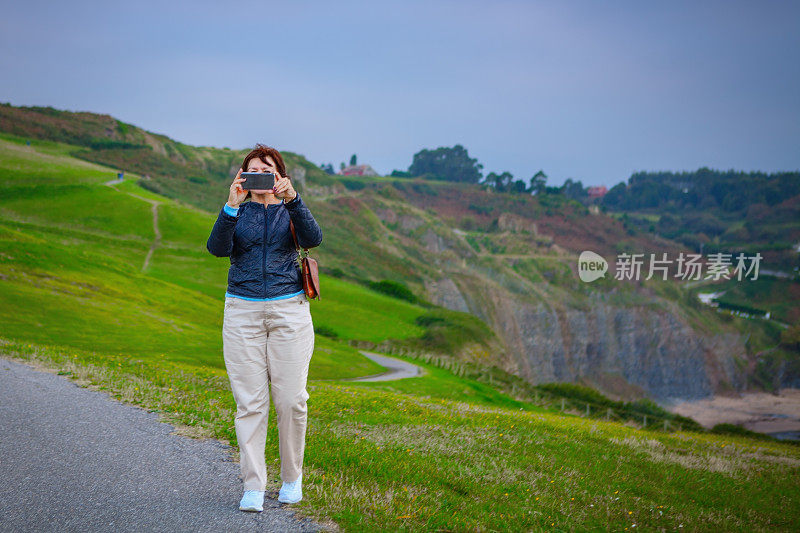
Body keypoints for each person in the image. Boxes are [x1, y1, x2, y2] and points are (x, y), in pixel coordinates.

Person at [206, 144, 323, 512]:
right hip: (242, 310)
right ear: (243, 176)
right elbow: (217, 249)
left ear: (280, 174)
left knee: (291, 400)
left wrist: (293, 200)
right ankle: (253, 485)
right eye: (252, 169)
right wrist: (230, 206)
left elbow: (312, 238)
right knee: (250, 403)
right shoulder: (236, 209)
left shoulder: (290, 206)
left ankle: (292, 478)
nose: (260, 176)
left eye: (267, 170)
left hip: (289, 310)